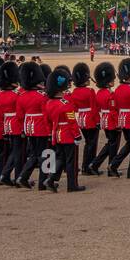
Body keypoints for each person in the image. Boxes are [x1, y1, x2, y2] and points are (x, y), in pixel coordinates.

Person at [44, 65, 84, 193]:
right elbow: (72, 122)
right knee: (71, 161)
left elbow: (48, 121)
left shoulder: (49, 103)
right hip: (68, 135)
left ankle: (50, 180)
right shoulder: (65, 104)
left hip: (57, 134)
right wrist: (77, 136)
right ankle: (72, 185)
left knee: (60, 159)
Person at [110, 58, 130, 178]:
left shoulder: (117, 89)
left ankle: (114, 165)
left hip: (122, 119)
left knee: (129, 144)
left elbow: (116, 107)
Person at [89, 61, 119, 175]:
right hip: (111, 121)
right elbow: (113, 111)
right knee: (113, 144)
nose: (114, 81)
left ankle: (96, 164)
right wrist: (118, 123)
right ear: (108, 81)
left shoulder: (99, 93)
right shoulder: (110, 94)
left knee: (110, 143)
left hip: (104, 120)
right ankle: (108, 166)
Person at [70, 63, 99, 172]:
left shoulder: (74, 92)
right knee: (92, 144)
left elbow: (75, 108)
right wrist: (97, 121)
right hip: (90, 119)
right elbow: (94, 108)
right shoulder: (90, 91)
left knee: (88, 143)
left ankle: (85, 166)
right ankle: (88, 166)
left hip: (81, 120)